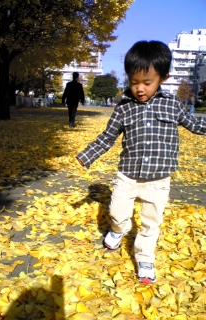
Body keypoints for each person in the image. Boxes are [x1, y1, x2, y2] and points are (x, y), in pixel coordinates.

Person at [76, 40, 206, 284]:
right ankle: (118, 230)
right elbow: (108, 137)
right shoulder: (124, 108)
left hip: (158, 179)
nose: (140, 89)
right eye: (134, 82)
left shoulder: (172, 105)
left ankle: (145, 258)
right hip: (128, 176)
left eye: (147, 82)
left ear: (163, 78)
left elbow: (195, 124)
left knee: (150, 223)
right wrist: (88, 155)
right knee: (116, 213)